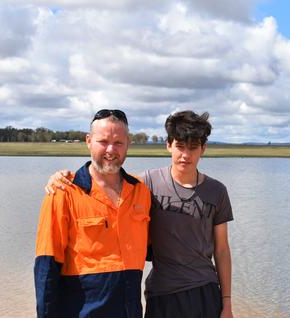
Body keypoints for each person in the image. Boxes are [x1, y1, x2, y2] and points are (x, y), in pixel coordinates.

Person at [45, 110, 234, 318]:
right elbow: (109, 179)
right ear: (168, 145)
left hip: (204, 289)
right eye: (180, 146)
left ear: (203, 149)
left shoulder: (217, 191)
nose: (186, 155)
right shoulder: (145, 185)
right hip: (162, 292)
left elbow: (222, 249)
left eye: (193, 147)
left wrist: (227, 303)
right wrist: (62, 177)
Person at [34, 109, 151, 318]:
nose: (110, 150)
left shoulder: (141, 191)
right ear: (88, 141)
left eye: (118, 143)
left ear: (128, 144)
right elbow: (46, 268)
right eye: (103, 141)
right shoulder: (63, 192)